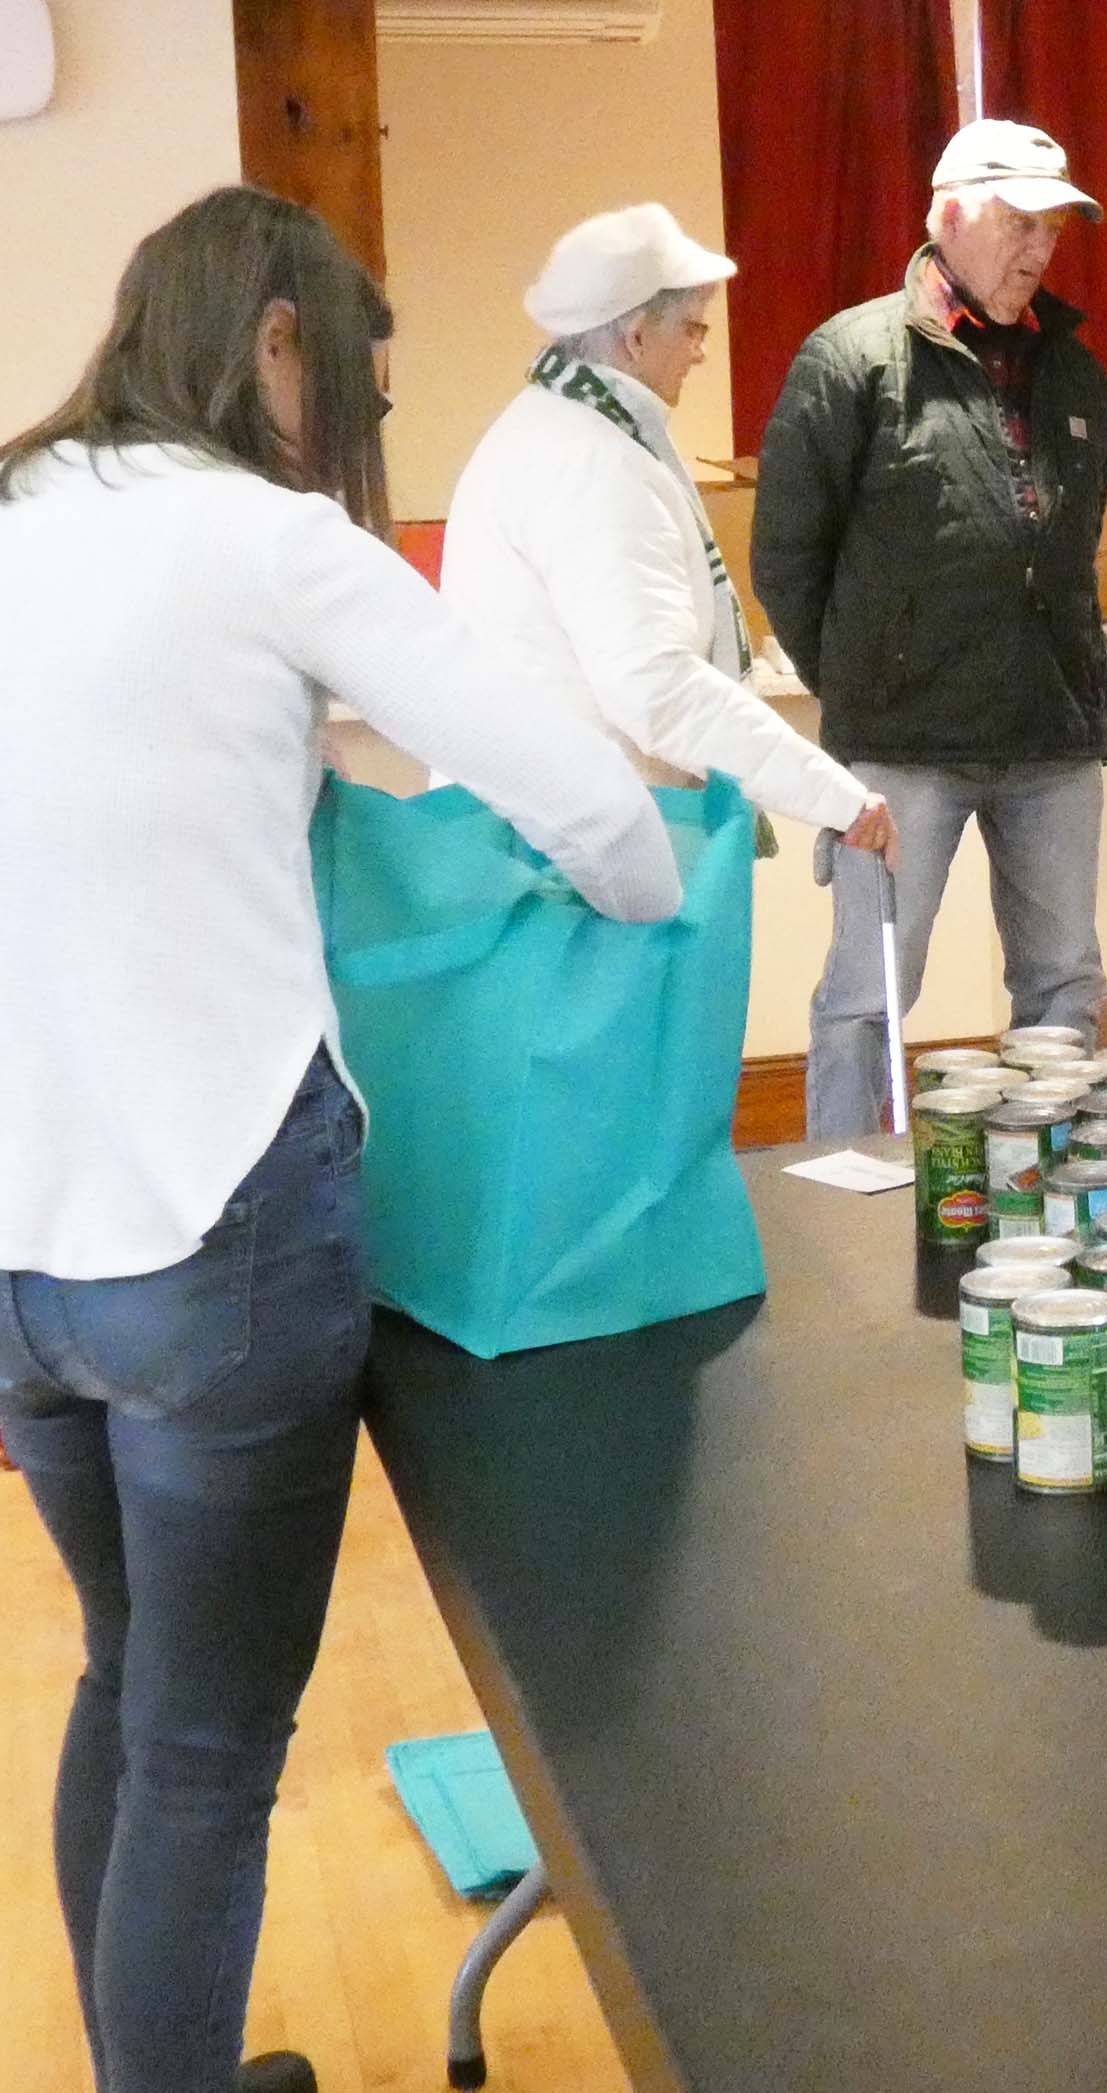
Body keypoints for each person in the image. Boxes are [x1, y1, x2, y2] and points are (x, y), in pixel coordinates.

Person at [0, 188, 680, 2093]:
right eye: (352, 396)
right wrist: (651, 892)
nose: (344, 444)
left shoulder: (13, 513)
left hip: (18, 1251)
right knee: (209, 1751)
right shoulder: (268, 536)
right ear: (277, 342)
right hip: (211, 1231)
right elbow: (584, 803)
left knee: (131, 1678)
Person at [754, 120, 1107, 1138]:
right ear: (947, 214)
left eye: (1052, 226)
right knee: (868, 994)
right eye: (1017, 220)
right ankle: (836, 1203)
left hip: (1052, 741)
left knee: (1063, 987)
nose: (1038, 247)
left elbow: (1072, 551)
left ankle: (1053, 1202)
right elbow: (786, 557)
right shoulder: (853, 358)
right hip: (901, 747)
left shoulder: (1075, 373)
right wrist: (866, 684)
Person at [440, 204, 897, 871]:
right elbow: (656, 688)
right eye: (691, 328)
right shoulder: (594, 461)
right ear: (634, 338)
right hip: (570, 855)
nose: (701, 351)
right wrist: (835, 796)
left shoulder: (547, 430)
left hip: (537, 834)